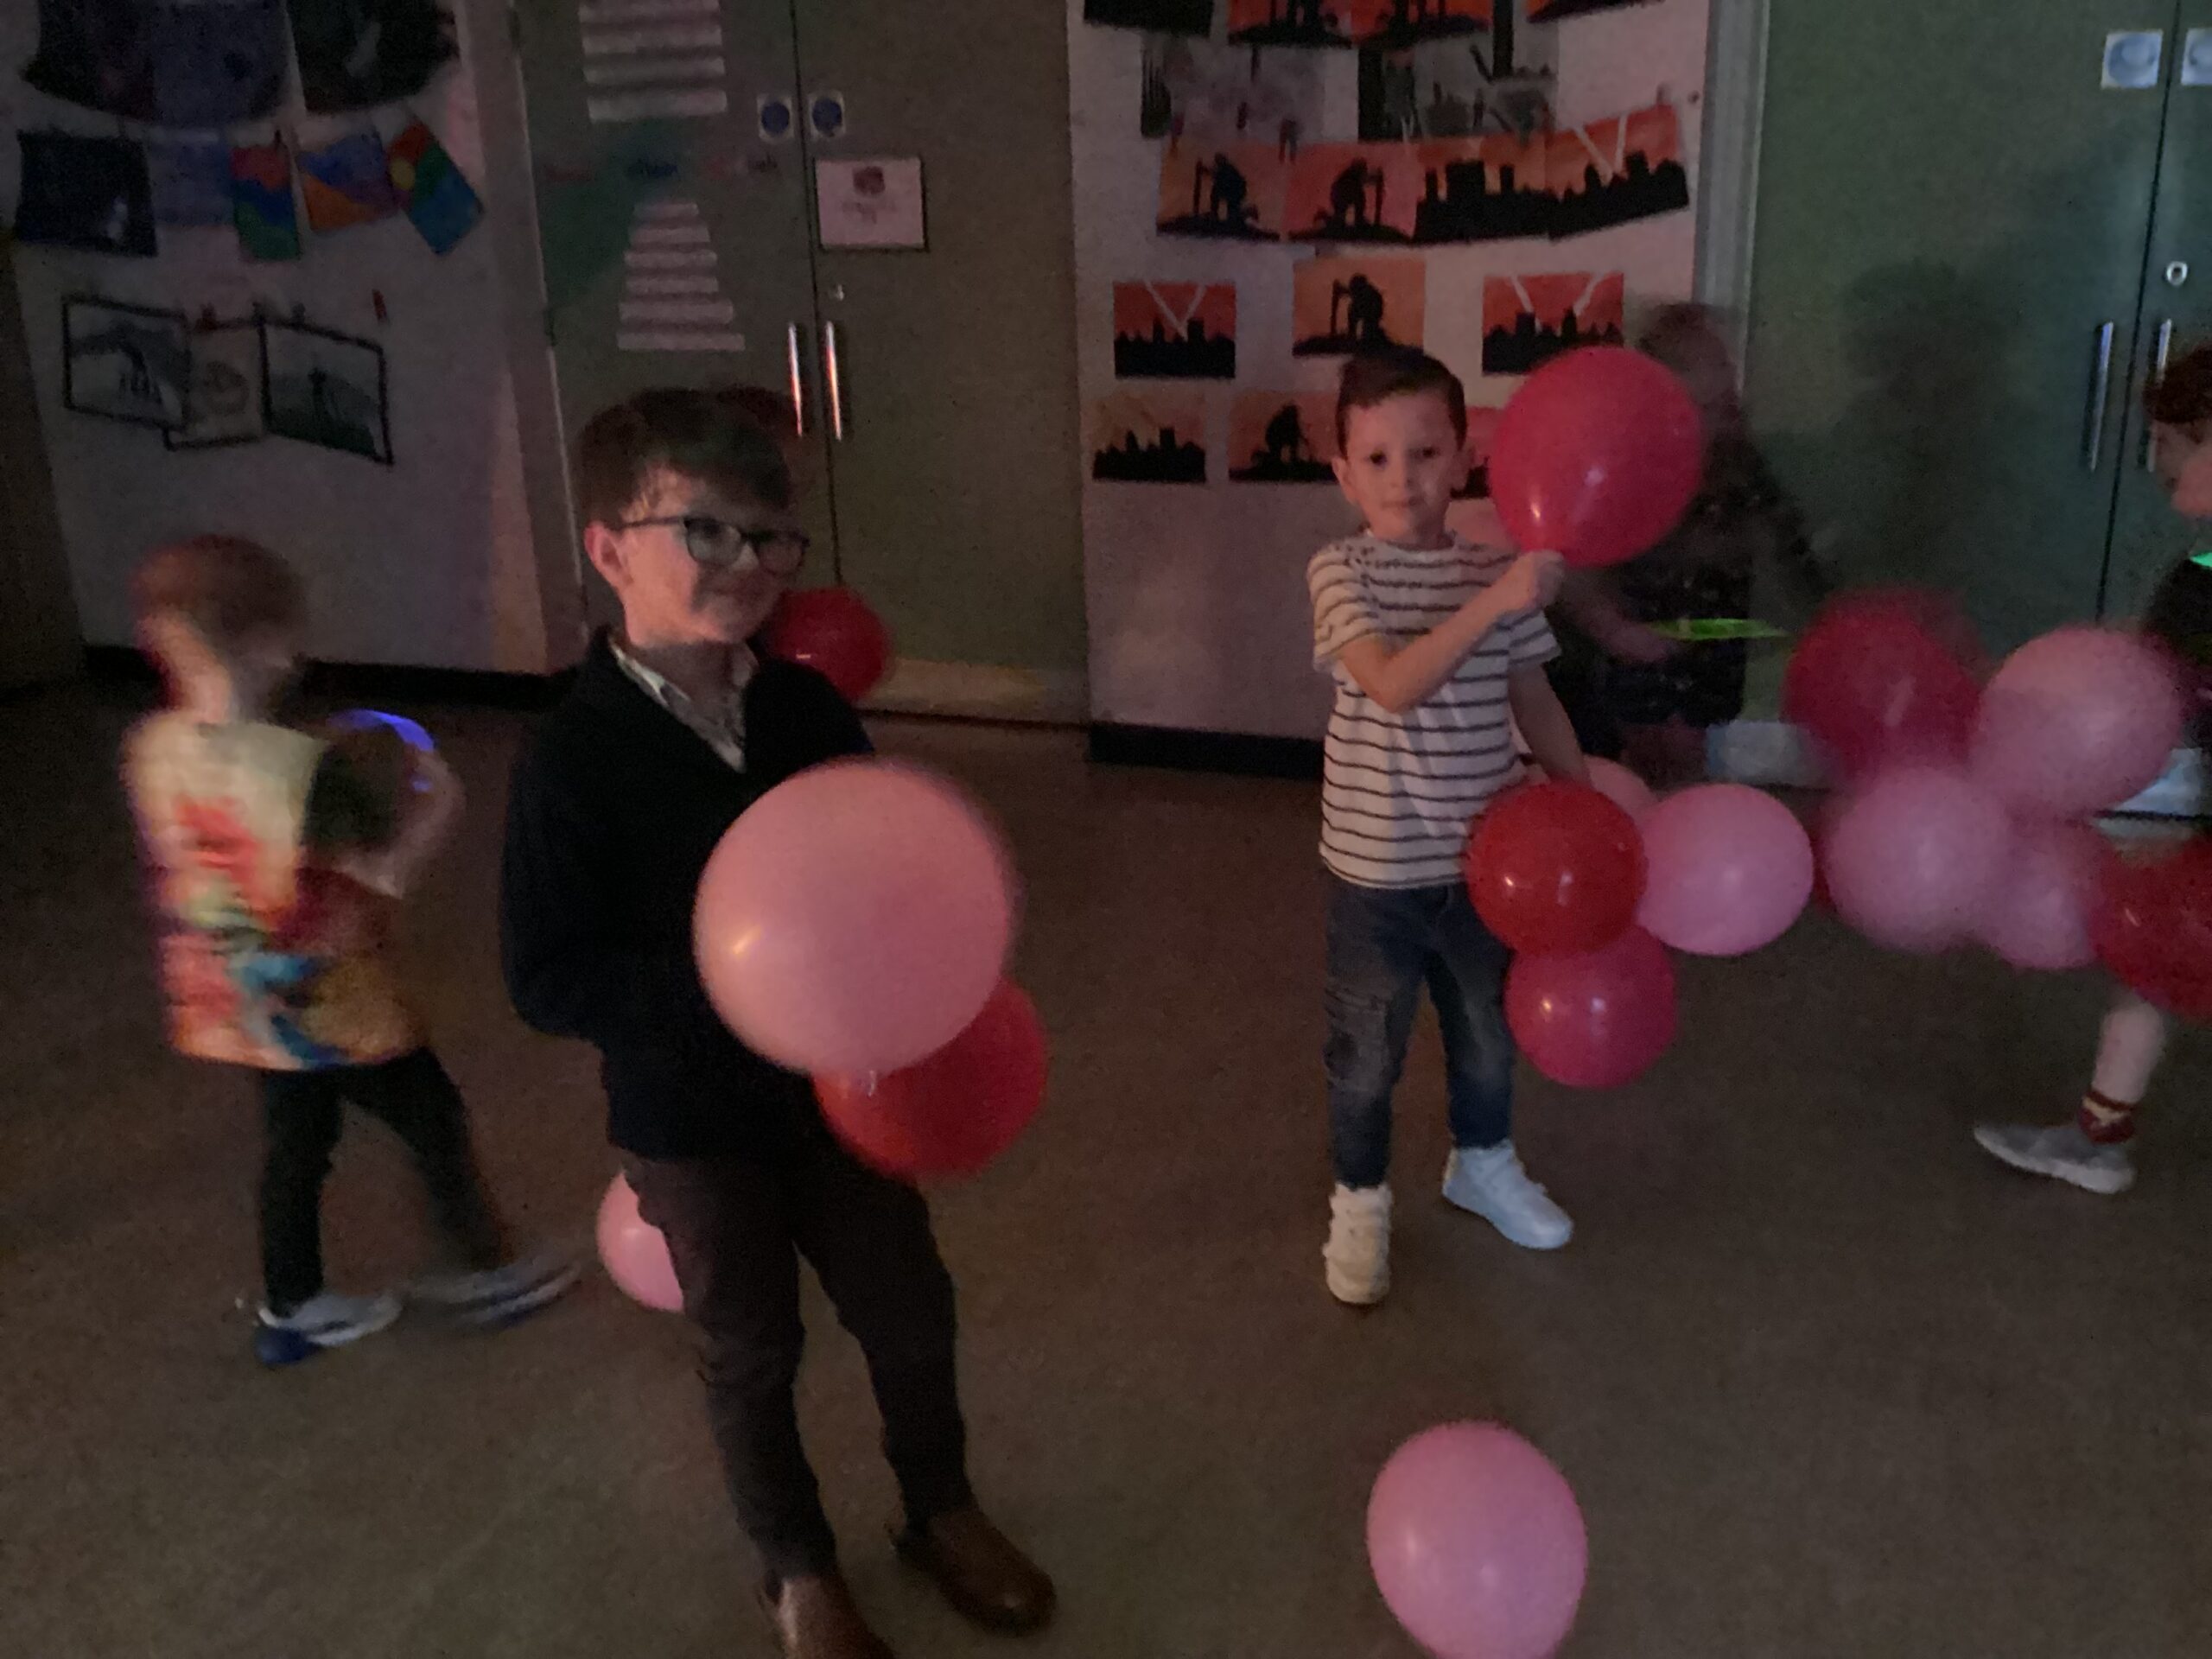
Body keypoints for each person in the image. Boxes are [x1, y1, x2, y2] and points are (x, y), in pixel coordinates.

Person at [499, 389, 1052, 1659]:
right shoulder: (571, 756)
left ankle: (940, 1508)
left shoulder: (806, 713)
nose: (748, 563)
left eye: (770, 538)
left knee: (908, 1307)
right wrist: (734, 986)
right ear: (608, 548)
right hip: (690, 1120)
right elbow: (545, 976)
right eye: (706, 531)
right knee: (750, 1347)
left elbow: (882, 875)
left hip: (843, 1095)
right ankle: (795, 1567)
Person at [120, 537, 575, 1367]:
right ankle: (486, 1267)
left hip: (235, 1000)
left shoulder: (153, 747)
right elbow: (383, 872)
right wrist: (440, 798)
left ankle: (293, 1301)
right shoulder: (303, 770)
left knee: (296, 1141)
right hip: (332, 1002)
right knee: (431, 1115)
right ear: (272, 644)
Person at [1308, 345, 1587, 1308]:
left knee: (1486, 1034)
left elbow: (1532, 695)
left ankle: (1483, 1162)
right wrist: (1495, 600)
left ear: (1465, 457)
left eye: (1426, 453)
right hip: (1375, 875)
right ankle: (1360, 1199)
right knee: (1366, 1054)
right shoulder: (1338, 570)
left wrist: (1582, 800)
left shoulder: (1494, 569)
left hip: (1486, 867)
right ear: (1344, 473)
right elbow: (1392, 684)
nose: (1404, 479)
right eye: (1377, 458)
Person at [1974, 340, 2212, 1194]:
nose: (2157, 463)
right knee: (2155, 963)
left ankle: (2098, 1142)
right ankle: (2097, 1136)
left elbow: (2145, 681)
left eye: (2168, 443)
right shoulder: (2199, 578)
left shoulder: (2198, 585)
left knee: (2151, 965)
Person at [1551, 303, 1827, 786]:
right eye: (1700, 368)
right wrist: (1618, 632)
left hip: (1706, 648)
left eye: (1720, 366)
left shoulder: (1740, 463)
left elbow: (1787, 548)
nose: (1720, 384)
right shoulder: (1624, 462)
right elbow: (1568, 564)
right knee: (1646, 761)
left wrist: (1820, 615)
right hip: (1636, 645)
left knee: (1687, 757)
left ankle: (1679, 800)